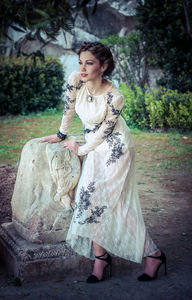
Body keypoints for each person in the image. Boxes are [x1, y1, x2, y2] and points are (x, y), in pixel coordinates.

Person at [40, 41, 167, 283]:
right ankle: (101, 258)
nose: (83, 68)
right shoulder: (75, 80)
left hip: (116, 148)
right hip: (94, 147)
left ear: (104, 66)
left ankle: (154, 254)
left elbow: (105, 133)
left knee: (114, 203)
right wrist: (61, 134)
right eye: (81, 62)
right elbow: (68, 109)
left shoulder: (115, 97)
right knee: (89, 199)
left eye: (90, 63)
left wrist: (81, 150)